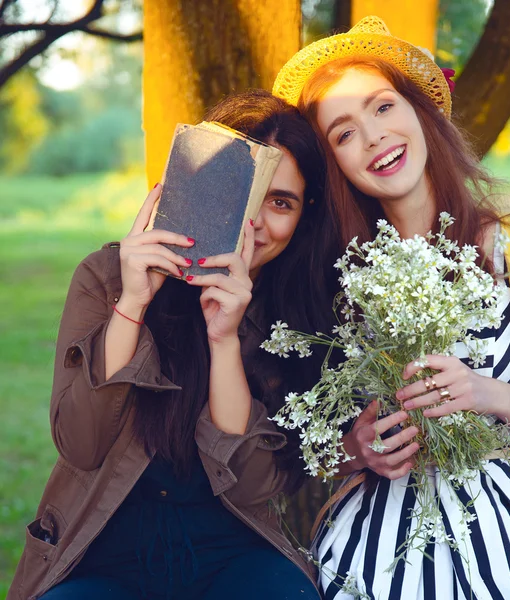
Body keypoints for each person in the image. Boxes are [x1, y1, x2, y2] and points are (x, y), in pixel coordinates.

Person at [272, 16, 510, 600]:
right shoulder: (336, 272)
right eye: (343, 134)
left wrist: (483, 392)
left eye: (382, 107)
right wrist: (356, 449)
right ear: (334, 165)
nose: (372, 137)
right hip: (370, 543)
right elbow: (301, 445)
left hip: (496, 535)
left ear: (421, 111)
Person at [8, 89, 337, 600]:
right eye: (243, 192)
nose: (253, 223)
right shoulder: (107, 276)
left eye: (280, 202)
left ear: (302, 218)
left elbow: (251, 486)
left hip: (232, 552)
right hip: (99, 550)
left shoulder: (297, 315)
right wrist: (132, 304)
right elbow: (81, 444)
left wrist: (224, 338)